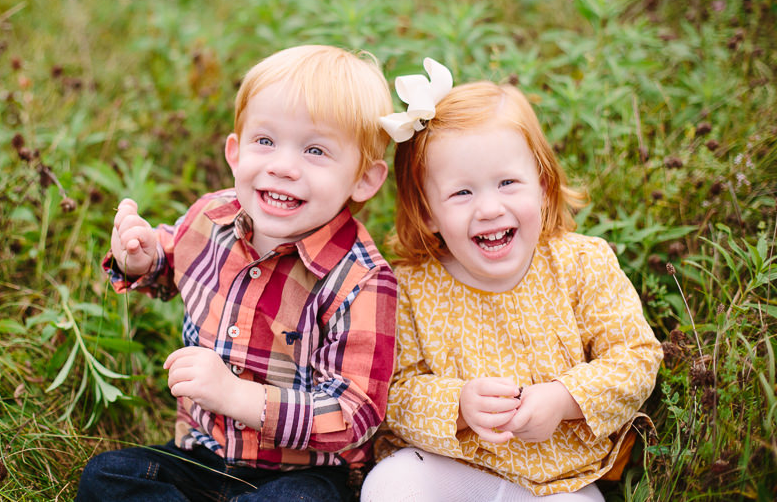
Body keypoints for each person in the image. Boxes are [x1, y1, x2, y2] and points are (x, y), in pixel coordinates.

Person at [76, 45, 398, 502]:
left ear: (364, 179)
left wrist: (235, 396)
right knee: (109, 476)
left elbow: (355, 413)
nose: (283, 166)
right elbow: (173, 262)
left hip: (300, 473)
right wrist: (143, 260)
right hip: (202, 454)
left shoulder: (361, 279)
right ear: (235, 150)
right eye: (265, 142)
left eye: (315, 150)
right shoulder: (212, 217)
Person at [361, 58, 663, 501]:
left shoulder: (581, 262)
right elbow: (393, 394)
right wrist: (459, 405)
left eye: (507, 182)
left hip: (564, 481)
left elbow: (635, 357)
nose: (488, 208)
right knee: (390, 486)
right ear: (427, 212)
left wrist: (564, 399)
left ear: (542, 186)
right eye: (462, 192)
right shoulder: (410, 288)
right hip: (454, 469)